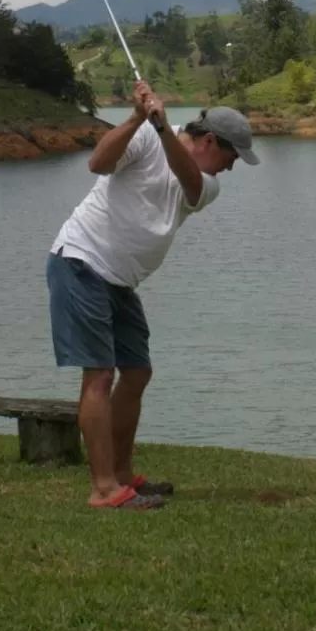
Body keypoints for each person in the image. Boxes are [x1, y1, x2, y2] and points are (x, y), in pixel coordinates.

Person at [46, 80, 259, 510]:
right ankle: (103, 488)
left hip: (121, 280)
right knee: (99, 375)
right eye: (232, 156)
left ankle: (123, 475)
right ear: (210, 141)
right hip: (81, 261)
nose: (232, 167)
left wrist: (161, 128)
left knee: (137, 372)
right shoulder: (144, 134)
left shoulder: (206, 183)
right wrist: (136, 119)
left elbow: (188, 179)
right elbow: (98, 163)